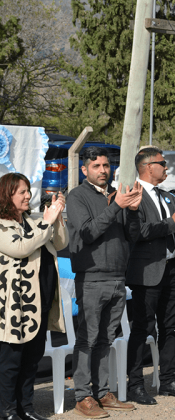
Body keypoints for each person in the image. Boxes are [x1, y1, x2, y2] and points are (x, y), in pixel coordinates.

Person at [67, 146, 142, 417]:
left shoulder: (116, 195)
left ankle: (102, 392)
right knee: (87, 339)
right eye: (96, 166)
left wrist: (132, 210)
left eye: (106, 165)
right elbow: (88, 232)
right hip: (91, 277)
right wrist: (116, 207)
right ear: (85, 169)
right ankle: (82, 396)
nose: (103, 170)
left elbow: (132, 235)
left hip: (117, 277)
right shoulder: (76, 196)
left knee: (106, 338)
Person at [125, 147, 175, 405]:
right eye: (162, 164)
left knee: (169, 328)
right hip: (146, 273)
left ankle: (168, 380)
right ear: (147, 167)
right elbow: (139, 232)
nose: (166, 168)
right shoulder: (133, 196)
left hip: (171, 270)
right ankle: (135, 384)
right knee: (142, 330)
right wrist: (173, 222)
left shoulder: (168, 197)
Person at [0, 174, 67, 420]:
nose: (28, 195)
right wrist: (46, 223)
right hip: (15, 307)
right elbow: (21, 247)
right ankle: (7, 411)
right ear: (7, 195)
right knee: (10, 363)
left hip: (40, 303)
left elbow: (61, 243)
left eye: (28, 191)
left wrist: (56, 217)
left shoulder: (35, 220)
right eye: (21, 192)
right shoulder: (2, 225)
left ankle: (26, 408)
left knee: (31, 360)